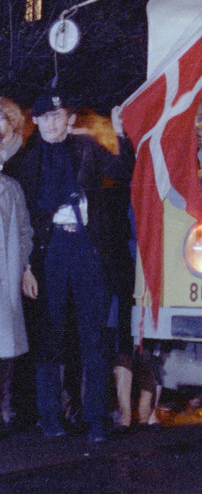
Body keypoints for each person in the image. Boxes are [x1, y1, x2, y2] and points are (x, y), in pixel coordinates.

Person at [12, 87, 134, 442]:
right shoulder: (27, 161)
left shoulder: (86, 147)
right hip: (48, 252)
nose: (53, 123)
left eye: (58, 115)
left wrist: (120, 132)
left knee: (93, 335)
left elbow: (122, 169)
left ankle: (96, 419)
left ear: (68, 118)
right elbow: (24, 221)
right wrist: (27, 267)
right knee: (48, 334)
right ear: (36, 120)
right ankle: (50, 416)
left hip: (87, 247)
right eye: (46, 117)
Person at [0, 97, 35, 436]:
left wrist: (24, 266)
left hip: (5, 277)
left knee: (6, 345)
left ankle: (5, 407)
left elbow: (25, 231)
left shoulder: (12, 189)